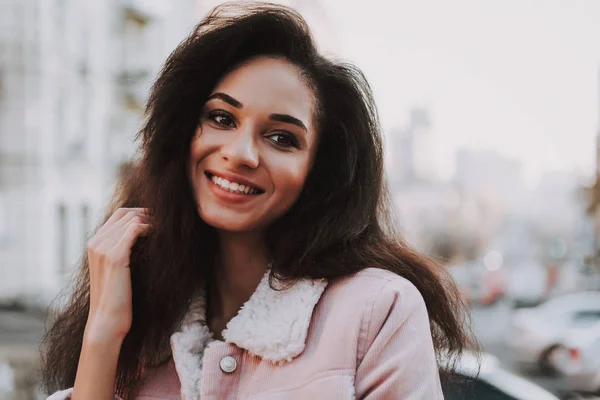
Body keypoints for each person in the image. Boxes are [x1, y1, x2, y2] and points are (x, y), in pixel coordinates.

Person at [41, 3, 472, 399]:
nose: (241, 153)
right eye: (221, 118)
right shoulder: (141, 320)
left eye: (282, 138)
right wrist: (102, 334)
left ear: (318, 169)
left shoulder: (379, 310)